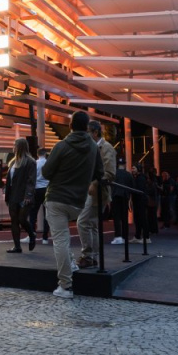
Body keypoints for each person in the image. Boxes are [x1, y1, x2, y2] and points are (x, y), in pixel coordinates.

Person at [40, 111, 103, 298]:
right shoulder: (93, 148)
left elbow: (46, 172)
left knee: (60, 239)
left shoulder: (62, 146)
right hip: (78, 202)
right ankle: (71, 265)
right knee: (64, 237)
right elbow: (99, 173)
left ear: (70, 126)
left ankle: (65, 285)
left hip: (57, 198)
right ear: (86, 127)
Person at [78, 121, 116, 267]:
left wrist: (94, 183)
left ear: (95, 132)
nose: (85, 135)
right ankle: (92, 257)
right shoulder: (90, 147)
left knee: (83, 222)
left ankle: (88, 255)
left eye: (87, 132)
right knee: (92, 224)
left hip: (97, 190)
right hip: (90, 190)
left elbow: (110, 173)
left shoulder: (106, 148)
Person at [4, 138, 37, 253]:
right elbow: (9, 181)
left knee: (22, 219)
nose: (13, 147)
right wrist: (7, 196)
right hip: (13, 195)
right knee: (14, 221)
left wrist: (28, 195)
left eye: (15, 145)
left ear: (20, 147)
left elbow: (31, 181)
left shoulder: (30, 162)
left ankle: (32, 234)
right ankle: (17, 246)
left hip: (24, 195)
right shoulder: (13, 162)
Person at [27, 147, 51, 245]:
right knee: (47, 214)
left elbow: (31, 177)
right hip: (47, 189)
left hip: (36, 189)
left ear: (37, 154)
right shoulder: (48, 163)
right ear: (45, 154)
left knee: (33, 213)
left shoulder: (35, 163)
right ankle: (45, 237)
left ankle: (32, 234)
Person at [110, 162, 132, 245]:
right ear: (125, 165)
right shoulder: (128, 174)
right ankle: (125, 237)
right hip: (125, 196)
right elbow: (132, 186)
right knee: (124, 218)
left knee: (116, 217)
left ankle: (118, 236)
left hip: (115, 196)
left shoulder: (114, 173)